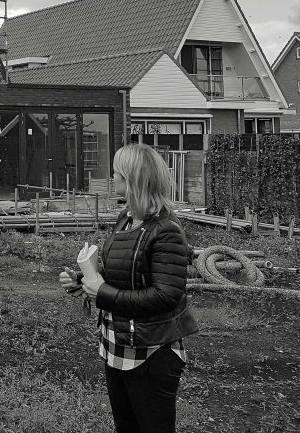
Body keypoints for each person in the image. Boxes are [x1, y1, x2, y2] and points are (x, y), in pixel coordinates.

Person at [60, 143, 198, 433]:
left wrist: (103, 293)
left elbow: (167, 295)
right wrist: (84, 280)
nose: (112, 178)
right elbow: (119, 271)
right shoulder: (125, 220)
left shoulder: (166, 230)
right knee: (126, 426)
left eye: (116, 173)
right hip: (117, 343)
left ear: (132, 179)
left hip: (151, 351)